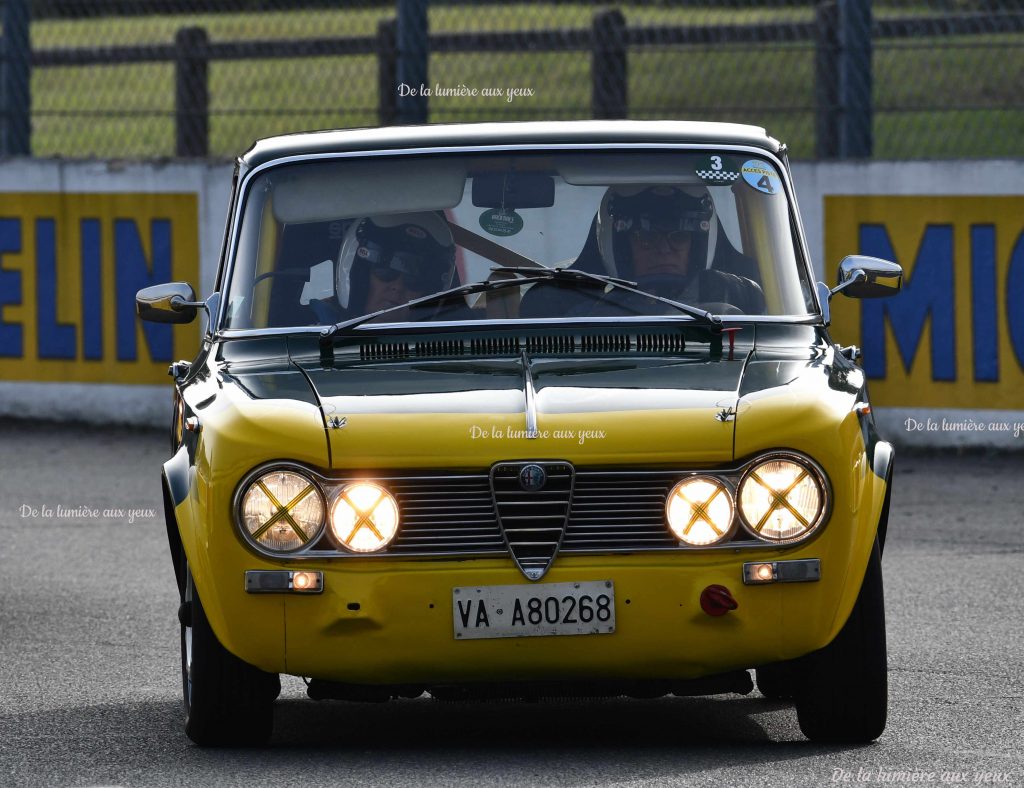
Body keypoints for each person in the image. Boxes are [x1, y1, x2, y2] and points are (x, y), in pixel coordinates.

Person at [590, 185, 764, 314]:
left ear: (696, 247)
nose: (664, 250)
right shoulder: (589, 315)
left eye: (679, 236)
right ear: (623, 249)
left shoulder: (736, 300)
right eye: (647, 237)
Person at [321, 212, 457, 323]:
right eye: (386, 272)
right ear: (359, 277)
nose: (397, 287)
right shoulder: (313, 343)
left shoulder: (454, 346)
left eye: (414, 281)